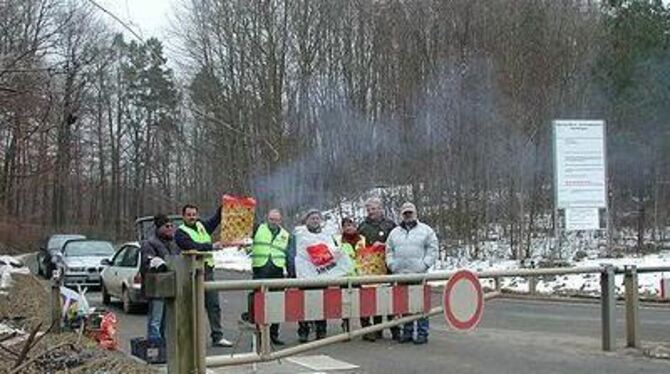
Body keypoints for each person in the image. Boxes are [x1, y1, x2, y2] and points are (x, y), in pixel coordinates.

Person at [174, 202, 232, 347]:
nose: (192, 217)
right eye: (189, 215)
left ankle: (217, 336)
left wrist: (224, 206)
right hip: (191, 273)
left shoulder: (201, 226)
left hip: (208, 271)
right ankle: (191, 339)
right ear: (183, 216)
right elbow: (192, 246)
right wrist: (212, 246)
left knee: (213, 305)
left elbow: (215, 220)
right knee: (191, 307)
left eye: (194, 214)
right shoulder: (180, 232)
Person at [292, 209, 352, 342]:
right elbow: (293, 253)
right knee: (304, 303)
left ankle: (321, 329)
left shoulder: (326, 234)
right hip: (305, 274)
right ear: (306, 220)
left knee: (321, 302)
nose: (314, 220)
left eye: (317, 218)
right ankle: (303, 330)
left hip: (322, 273)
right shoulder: (300, 235)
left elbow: (333, 250)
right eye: (312, 218)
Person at [385, 202, 438, 345]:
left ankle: (422, 332)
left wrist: (424, 264)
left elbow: (433, 249)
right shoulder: (394, 233)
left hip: (418, 274)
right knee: (405, 305)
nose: (408, 215)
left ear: (415, 214)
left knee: (420, 305)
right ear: (402, 215)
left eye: (410, 213)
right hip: (401, 274)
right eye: (405, 213)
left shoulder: (426, 231)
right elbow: (388, 250)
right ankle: (407, 332)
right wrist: (392, 264)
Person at [357, 197, 398, 341]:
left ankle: (395, 329)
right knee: (370, 300)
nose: (371, 212)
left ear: (380, 209)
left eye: (374, 209)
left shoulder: (390, 225)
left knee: (389, 299)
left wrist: (384, 245)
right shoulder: (362, 227)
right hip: (368, 270)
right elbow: (358, 246)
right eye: (369, 210)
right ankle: (374, 329)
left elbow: (396, 243)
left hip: (386, 267)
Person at [249, 209, 291, 345]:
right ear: (267, 218)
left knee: (276, 303)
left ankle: (273, 334)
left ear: (281, 220)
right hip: (260, 269)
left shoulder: (285, 234)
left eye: (276, 219)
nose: (274, 222)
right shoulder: (258, 229)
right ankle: (259, 335)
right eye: (271, 219)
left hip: (277, 270)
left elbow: (289, 255)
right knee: (259, 303)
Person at [139, 214, 180, 341]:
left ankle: (165, 346)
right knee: (155, 320)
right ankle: (154, 346)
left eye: (171, 226)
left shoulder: (173, 243)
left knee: (166, 320)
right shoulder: (149, 243)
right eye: (166, 226)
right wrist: (157, 263)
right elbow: (147, 263)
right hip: (156, 288)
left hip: (170, 286)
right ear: (158, 227)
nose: (170, 228)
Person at [333, 217, 365, 332]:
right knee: (345, 303)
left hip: (361, 276)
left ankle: (366, 327)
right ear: (342, 228)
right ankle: (346, 327)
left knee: (363, 303)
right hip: (344, 276)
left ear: (355, 226)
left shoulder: (363, 239)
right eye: (346, 226)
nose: (349, 228)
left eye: (350, 225)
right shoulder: (337, 241)